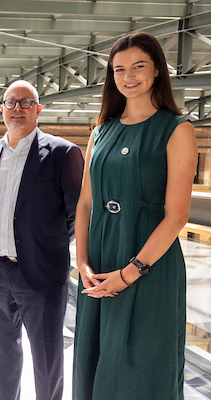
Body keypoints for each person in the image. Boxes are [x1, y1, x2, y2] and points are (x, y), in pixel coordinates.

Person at [72, 31, 197, 400]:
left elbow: (176, 216)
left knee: (141, 366)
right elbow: (85, 203)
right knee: (94, 360)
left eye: (138, 66)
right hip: (100, 262)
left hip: (149, 264)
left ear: (157, 69)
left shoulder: (177, 130)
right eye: (119, 69)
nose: (128, 76)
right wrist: (82, 261)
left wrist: (130, 273)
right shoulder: (100, 132)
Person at [0, 80, 84, 400]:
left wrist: (45, 246)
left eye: (25, 103)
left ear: (37, 110)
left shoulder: (63, 153)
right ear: (2, 110)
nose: (17, 109)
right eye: (11, 103)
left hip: (41, 273)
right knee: (2, 354)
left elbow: (77, 213)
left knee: (47, 357)